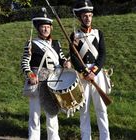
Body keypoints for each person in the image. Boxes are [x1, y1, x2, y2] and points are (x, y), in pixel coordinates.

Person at [21, 7, 71, 140]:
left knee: (52, 114)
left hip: (53, 82)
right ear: (38, 28)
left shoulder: (56, 43)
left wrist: (66, 62)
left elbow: (61, 58)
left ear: (51, 28)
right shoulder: (31, 43)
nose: (45, 29)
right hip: (37, 81)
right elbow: (25, 62)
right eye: (42, 27)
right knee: (35, 115)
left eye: (47, 27)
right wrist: (30, 75)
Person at [69, 0, 111, 140]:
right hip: (82, 75)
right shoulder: (74, 35)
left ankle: (105, 138)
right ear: (80, 17)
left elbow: (102, 54)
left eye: (90, 15)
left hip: (96, 73)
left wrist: (93, 71)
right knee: (84, 110)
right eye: (85, 16)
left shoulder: (99, 33)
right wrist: (84, 72)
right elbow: (73, 57)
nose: (88, 18)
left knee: (101, 109)